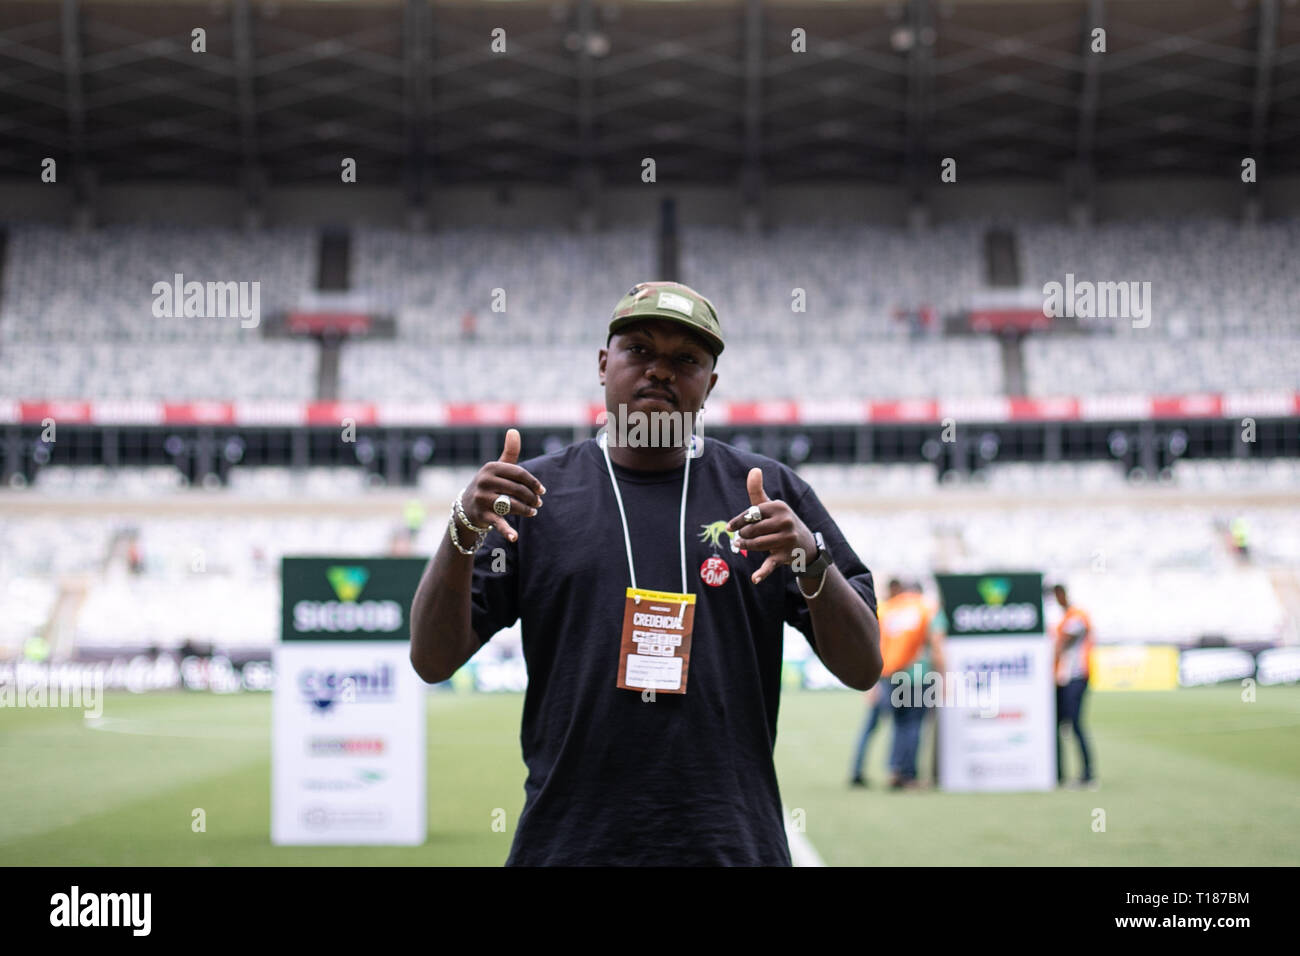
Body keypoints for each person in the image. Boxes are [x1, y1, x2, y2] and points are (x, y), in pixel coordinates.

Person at [410, 280, 883, 866]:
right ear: (604, 364)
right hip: (568, 848)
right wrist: (462, 526)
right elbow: (431, 659)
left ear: (709, 385)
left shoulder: (768, 493)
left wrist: (812, 561)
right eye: (639, 350)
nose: (660, 371)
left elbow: (864, 668)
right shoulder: (532, 494)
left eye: (686, 359)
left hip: (731, 848)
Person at [849, 578, 941, 789]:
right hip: (918, 676)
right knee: (913, 725)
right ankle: (907, 774)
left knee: (898, 725)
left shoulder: (890, 610)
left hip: (890, 676)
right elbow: (936, 645)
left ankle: (894, 770)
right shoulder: (926, 609)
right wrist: (944, 676)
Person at [1052, 583, 1096, 789]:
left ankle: (1088, 774)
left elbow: (1066, 641)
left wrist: (1054, 649)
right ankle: (1058, 774)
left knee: (1075, 725)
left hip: (1076, 678)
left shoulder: (1077, 615)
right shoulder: (1064, 618)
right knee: (1058, 726)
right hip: (1063, 679)